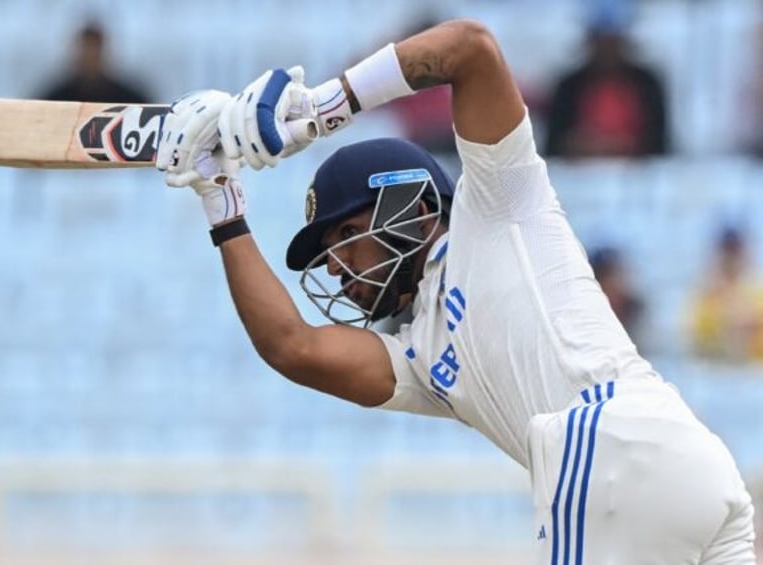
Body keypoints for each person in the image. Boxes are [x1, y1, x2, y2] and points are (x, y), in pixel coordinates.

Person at [155, 19, 757, 562]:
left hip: (609, 443)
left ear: (409, 204)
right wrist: (222, 203)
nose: (336, 268)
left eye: (343, 235)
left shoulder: (497, 204)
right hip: (694, 469)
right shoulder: (417, 355)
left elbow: (469, 50)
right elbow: (294, 347)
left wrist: (321, 109)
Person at [543, 3, 669, 158]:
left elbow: (659, 143)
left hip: (638, 176)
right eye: (601, 40)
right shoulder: (568, 86)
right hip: (576, 176)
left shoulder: (647, 84)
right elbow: (553, 144)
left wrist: (621, 147)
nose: (606, 48)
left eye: (612, 40)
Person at [690, 226, 763, 363]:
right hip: (716, 372)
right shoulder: (705, 293)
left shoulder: (757, 290)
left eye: (735, 251)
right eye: (727, 252)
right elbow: (696, 342)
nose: (731, 259)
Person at [39, 21, 150, 104]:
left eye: (94, 51)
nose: (90, 57)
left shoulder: (130, 99)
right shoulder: (56, 99)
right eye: (86, 50)